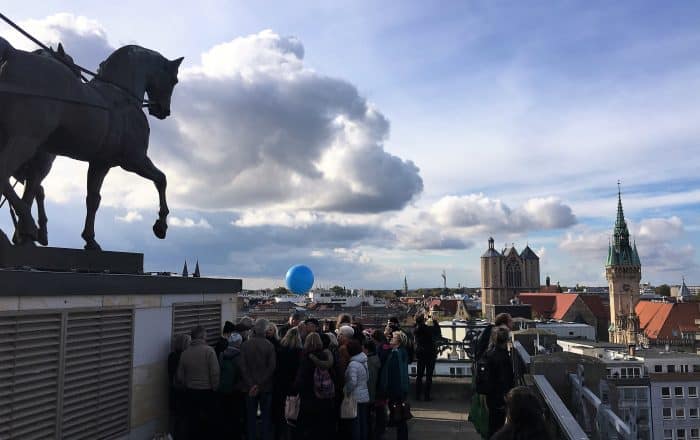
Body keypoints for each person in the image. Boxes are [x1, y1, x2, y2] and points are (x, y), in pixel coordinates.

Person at [176, 326, 220, 439]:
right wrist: (215, 388)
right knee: (208, 423)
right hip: (207, 392)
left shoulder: (184, 353)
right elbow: (215, 373)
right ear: (203, 336)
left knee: (193, 423)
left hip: (190, 392)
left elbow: (180, 376)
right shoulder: (209, 351)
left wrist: (188, 384)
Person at [240, 318, 277, 440]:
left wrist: (252, 384)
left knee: (250, 417)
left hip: (248, 387)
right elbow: (271, 367)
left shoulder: (245, 345)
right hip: (265, 387)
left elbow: (243, 367)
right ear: (265, 331)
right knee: (266, 417)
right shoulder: (269, 345)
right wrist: (259, 384)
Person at [293, 332, 336, 436]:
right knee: (321, 427)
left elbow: (301, 378)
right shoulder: (327, 356)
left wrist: (294, 389)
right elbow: (334, 376)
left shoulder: (305, 357)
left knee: (307, 426)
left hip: (308, 397)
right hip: (325, 397)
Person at [379, 331, 410, 440]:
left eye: (394, 337)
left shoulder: (396, 353)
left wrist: (390, 388)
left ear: (399, 341)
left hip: (396, 388)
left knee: (399, 416)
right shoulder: (401, 352)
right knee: (400, 416)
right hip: (401, 388)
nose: (391, 339)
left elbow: (395, 373)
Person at [274, 327, 303, 440]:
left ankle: (280, 434)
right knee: (293, 412)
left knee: (281, 412)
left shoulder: (280, 350)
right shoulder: (300, 352)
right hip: (293, 386)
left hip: (280, 385)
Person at [485, 327, 514, 438]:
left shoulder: (490, 352)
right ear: (506, 340)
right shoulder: (503, 357)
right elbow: (504, 379)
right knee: (498, 426)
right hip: (499, 396)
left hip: (490, 394)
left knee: (492, 424)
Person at [217, 332, 243, 439]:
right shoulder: (240, 355)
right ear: (238, 343)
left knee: (224, 415)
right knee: (235, 416)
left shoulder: (222, 354)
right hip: (235, 390)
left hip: (223, 389)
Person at [345, 339, 370, 440]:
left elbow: (352, 382)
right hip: (364, 395)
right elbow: (367, 377)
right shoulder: (364, 361)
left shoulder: (353, 364)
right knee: (363, 421)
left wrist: (347, 391)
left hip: (355, 397)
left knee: (355, 423)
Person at [413, 312, 440, 401]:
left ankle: (417, 395)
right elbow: (437, 333)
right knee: (429, 376)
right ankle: (426, 396)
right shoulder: (427, 329)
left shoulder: (415, 329)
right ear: (423, 320)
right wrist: (434, 321)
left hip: (420, 353)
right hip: (430, 353)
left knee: (419, 375)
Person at [168, 333, 190, 439]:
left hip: (173, 391)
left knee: (175, 419)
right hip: (183, 392)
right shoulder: (185, 357)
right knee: (183, 420)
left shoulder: (171, 356)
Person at [363, 340, 381, 440]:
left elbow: (368, 379)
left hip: (368, 393)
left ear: (366, 349)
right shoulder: (376, 359)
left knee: (368, 417)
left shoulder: (368, 361)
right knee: (371, 416)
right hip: (373, 392)